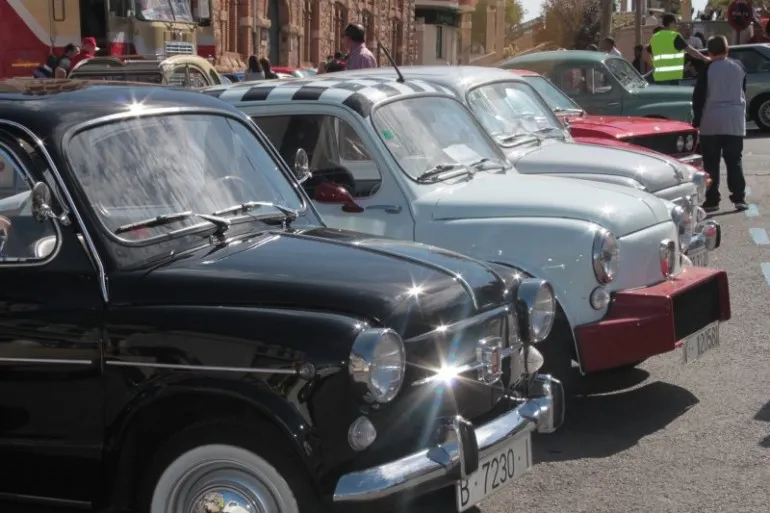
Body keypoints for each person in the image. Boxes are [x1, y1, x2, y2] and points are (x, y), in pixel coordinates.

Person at [692, 35, 748, 213]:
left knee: (711, 163)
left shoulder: (708, 70)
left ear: (709, 51)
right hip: (734, 119)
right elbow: (743, 90)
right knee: (734, 161)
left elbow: (699, 97)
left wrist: (697, 121)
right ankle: (739, 198)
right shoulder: (739, 67)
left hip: (711, 120)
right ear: (727, 50)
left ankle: (712, 199)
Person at [646, 13, 710, 85]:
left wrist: (653, 64)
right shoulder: (674, 36)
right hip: (672, 78)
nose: (676, 26)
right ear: (671, 23)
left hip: (658, 77)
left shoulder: (655, 37)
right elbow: (691, 51)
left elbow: (646, 51)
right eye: (675, 23)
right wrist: (704, 58)